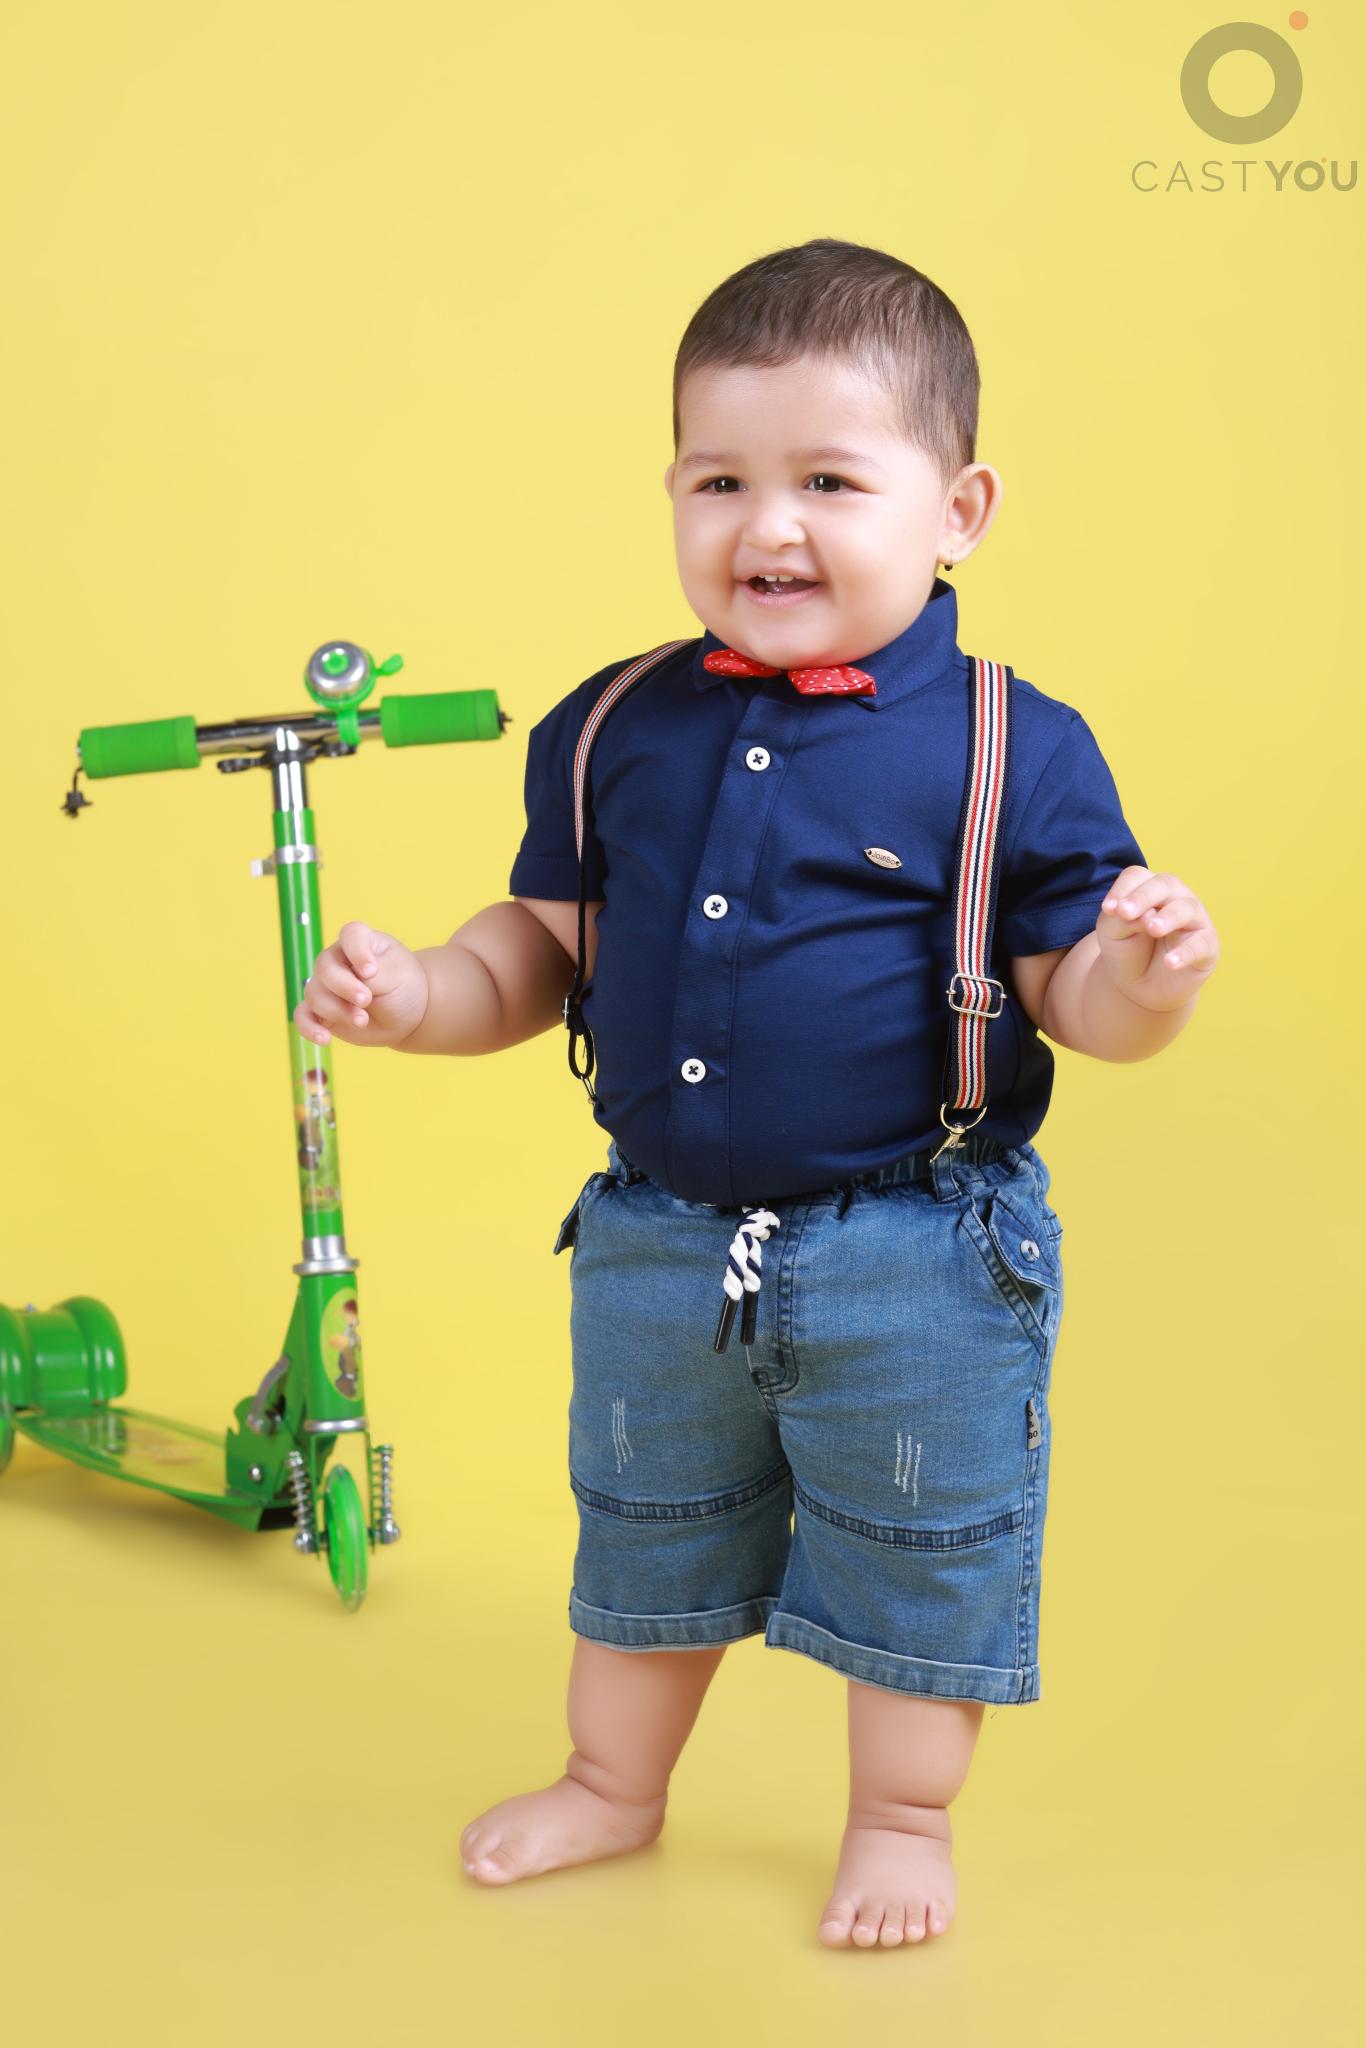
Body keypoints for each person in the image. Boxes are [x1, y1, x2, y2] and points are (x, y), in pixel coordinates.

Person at [294, 239, 1220, 1948]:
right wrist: (421, 994)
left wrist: (1142, 979)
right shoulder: (610, 727)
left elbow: (1069, 998)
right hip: (662, 1246)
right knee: (644, 1530)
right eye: (718, 479)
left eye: (828, 483)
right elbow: (540, 950)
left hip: (916, 1251)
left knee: (920, 1542)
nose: (765, 526)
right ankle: (610, 1786)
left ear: (957, 511)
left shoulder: (1014, 746)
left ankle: (899, 1818)